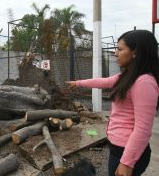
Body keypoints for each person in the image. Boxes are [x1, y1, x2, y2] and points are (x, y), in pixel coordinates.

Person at [65, 30, 159, 176]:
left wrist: (127, 163)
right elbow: (103, 82)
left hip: (127, 153)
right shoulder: (127, 76)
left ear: (136, 52)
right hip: (118, 149)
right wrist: (77, 83)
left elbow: (143, 129)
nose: (115, 53)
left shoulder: (144, 82)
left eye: (120, 49)